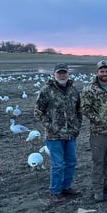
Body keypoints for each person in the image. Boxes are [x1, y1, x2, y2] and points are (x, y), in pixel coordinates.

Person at [34, 63, 82, 203]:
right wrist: (50, 126)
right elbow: (38, 112)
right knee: (58, 164)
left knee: (71, 162)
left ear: (68, 74)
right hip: (54, 136)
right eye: (59, 73)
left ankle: (66, 187)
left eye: (64, 73)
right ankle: (55, 191)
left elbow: (79, 110)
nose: (62, 75)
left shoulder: (73, 90)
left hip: (70, 134)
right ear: (54, 75)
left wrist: (77, 126)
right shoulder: (46, 91)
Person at [81, 60, 107, 203]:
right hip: (98, 132)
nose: (105, 74)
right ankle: (98, 189)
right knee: (98, 161)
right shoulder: (89, 88)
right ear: (97, 72)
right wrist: (99, 119)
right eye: (102, 71)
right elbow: (85, 108)